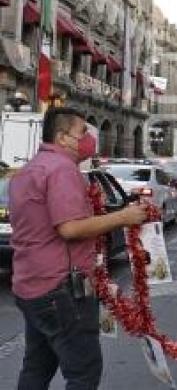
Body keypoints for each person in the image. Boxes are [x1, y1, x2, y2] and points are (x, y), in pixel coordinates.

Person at [10, 107, 149, 390]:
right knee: (84, 373)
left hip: (31, 284)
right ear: (62, 137)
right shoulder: (61, 169)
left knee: (37, 367)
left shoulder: (29, 169)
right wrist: (124, 217)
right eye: (82, 132)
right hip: (61, 289)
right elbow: (70, 228)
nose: (89, 138)